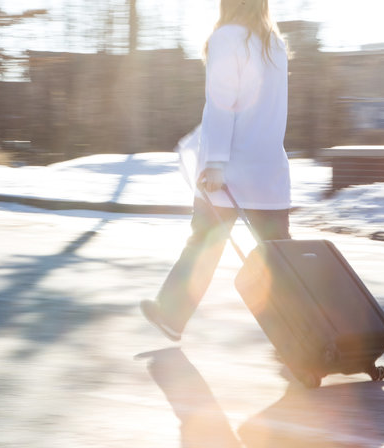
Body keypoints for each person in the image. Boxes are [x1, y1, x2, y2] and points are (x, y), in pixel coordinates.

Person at [141, 0, 291, 341]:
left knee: (204, 244)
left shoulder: (227, 38)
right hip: (270, 173)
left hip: (229, 172)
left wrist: (215, 163)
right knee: (282, 261)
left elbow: (222, 106)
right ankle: (312, 335)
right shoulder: (274, 43)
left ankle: (171, 315)